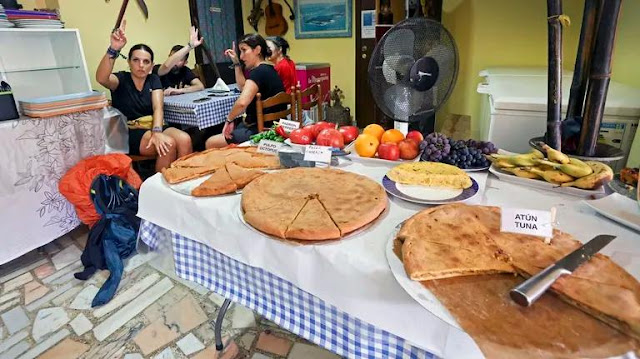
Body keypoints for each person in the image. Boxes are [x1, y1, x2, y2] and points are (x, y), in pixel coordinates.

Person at [96, 20, 192, 171]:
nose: (141, 65)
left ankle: (181, 181)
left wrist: (157, 131)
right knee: (169, 144)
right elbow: (101, 78)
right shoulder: (121, 79)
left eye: (146, 61)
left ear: (152, 65)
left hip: (153, 124)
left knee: (185, 139)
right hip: (128, 130)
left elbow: (158, 108)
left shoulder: (153, 79)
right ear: (128, 62)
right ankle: (158, 190)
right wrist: (113, 49)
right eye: (136, 60)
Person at [205, 34, 285, 149]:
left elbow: (242, 102)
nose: (242, 57)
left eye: (244, 50)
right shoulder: (269, 69)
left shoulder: (258, 72)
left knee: (210, 142)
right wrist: (236, 63)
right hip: (274, 126)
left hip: (261, 130)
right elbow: (244, 88)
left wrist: (228, 120)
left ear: (257, 50)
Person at [153, 26, 205, 96]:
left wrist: (179, 91)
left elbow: (200, 86)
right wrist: (190, 46)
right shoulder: (158, 69)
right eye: (172, 57)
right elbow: (166, 66)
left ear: (185, 63)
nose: (174, 61)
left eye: (179, 60)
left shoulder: (185, 71)